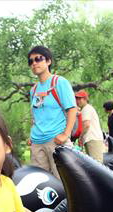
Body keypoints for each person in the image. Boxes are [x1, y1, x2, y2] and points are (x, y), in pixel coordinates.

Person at [28, 45, 76, 179]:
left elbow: (72, 109)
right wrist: (32, 135)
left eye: (38, 59)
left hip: (56, 141)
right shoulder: (33, 90)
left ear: (48, 61)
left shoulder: (59, 82)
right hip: (37, 144)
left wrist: (66, 134)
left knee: (64, 183)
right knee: (43, 186)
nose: (34, 63)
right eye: (31, 61)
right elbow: (36, 114)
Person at [75, 90, 104, 163]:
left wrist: (80, 137)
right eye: (76, 98)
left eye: (80, 98)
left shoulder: (86, 108)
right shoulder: (86, 109)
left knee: (97, 164)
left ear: (85, 99)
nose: (77, 101)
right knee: (94, 164)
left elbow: (86, 125)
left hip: (92, 139)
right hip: (91, 139)